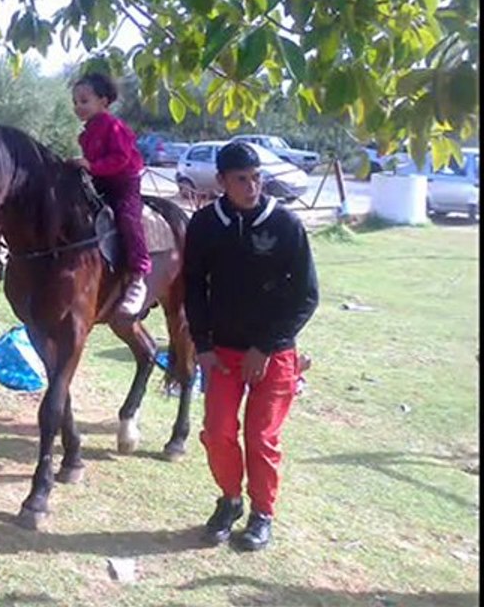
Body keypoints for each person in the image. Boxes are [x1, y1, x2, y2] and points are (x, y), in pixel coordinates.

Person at [183, 141, 319, 551]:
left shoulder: (286, 225)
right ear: (221, 181)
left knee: (262, 438)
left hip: (274, 354)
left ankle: (263, 514)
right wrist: (202, 346)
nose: (251, 186)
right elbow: (193, 288)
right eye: (241, 179)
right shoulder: (205, 224)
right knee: (217, 432)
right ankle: (230, 500)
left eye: (257, 177)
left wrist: (266, 346)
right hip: (222, 352)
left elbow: (306, 296)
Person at [70, 73, 150, 318]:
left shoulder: (114, 127)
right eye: (75, 102)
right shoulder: (86, 133)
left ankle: (138, 275)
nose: (78, 106)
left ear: (103, 101)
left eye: (84, 100)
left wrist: (91, 166)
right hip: (101, 182)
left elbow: (120, 158)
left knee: (127, 219)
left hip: (124, 183)